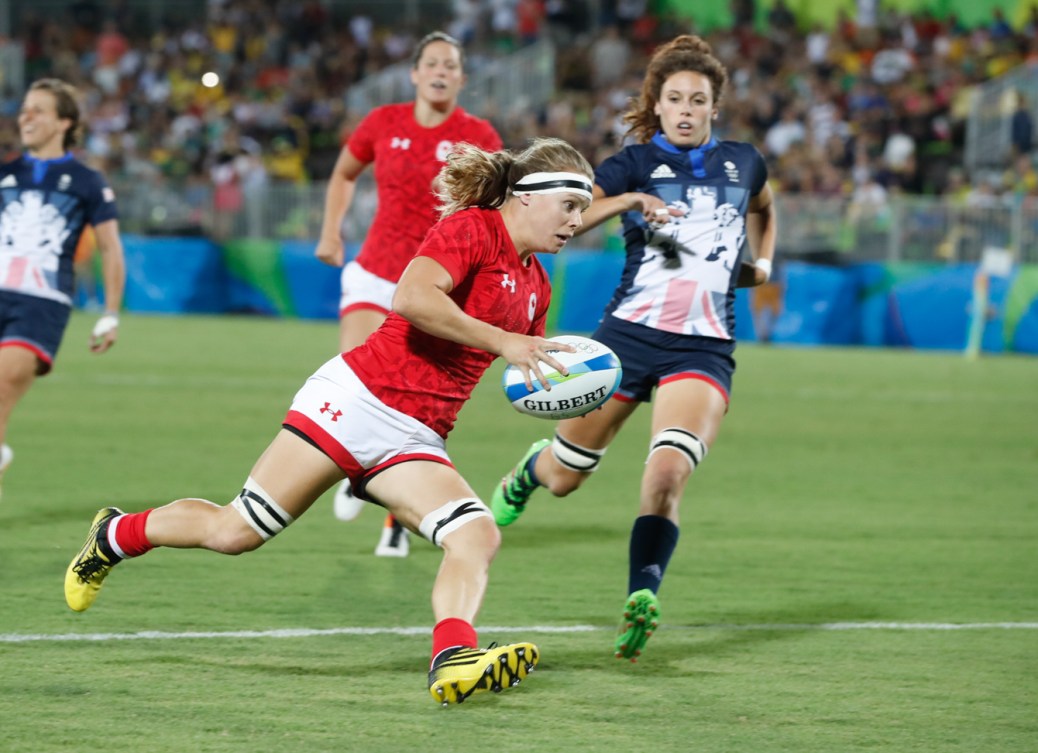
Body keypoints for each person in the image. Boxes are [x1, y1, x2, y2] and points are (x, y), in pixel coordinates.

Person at [64, 137, 595, 706]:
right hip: (356, 400)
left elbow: (515, 364)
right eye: (570, 205)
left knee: (476, 533)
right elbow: (412, 297)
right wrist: (505, 341)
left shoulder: (537, 282)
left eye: (583, 209)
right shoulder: (472, 229)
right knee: (236, 531)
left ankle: (453, 659)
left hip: (416, 436)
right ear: (526, 196)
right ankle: (114, 534)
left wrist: (560, 388)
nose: (578, 221)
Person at [490, 35, 777, 662]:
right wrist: (627, 199)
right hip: (623, 341)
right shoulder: (634, 163)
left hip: (702, 349)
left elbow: (764, 206)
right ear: (658, 102)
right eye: (674, 98)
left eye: (697, 100)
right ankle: (531, 471)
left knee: (667, 474)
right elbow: (572, 215)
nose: (685, 109)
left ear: (713, 107)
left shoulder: (744, 162)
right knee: (566, 478)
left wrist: (763, 262)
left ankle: (640, 597)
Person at [315, 30, 502, 557]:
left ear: (461, 79)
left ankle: (396, 514)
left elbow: (493, 208)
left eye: (451, 64)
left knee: (411, 402)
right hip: (375, 270)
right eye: (432, 63)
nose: (441, 70)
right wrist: (331, 231)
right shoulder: (382, 123)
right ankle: (358, 477)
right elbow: (344, 172)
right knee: (353, 376)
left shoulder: (477, 134)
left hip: (436, 282)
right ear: (415, 73)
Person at [0, 78, 125, 497]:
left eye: (38, 109)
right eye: (24, 109)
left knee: (3, 383)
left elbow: (110, 248)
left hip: (41, 302)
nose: (26, 116)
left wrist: (110, 312)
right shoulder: (5, 173)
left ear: (64, 122)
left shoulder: (88, 181)